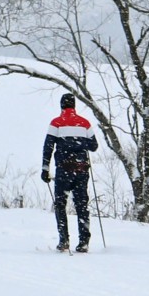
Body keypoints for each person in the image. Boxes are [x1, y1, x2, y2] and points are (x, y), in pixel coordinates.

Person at [40, 94, 99, 252]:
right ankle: (84, 241)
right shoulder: (84, 123)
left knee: (60, 204)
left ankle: (64, 240)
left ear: (61, 106)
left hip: (63, 170)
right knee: (82, 206)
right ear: (74, 106)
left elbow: (48, 146)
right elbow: (94, 146)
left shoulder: (56, 123)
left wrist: (45, 168)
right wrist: (79, 143)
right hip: (81, 169)